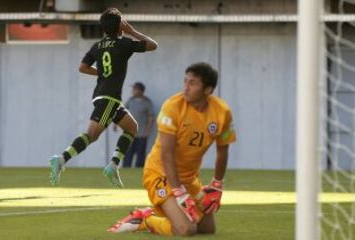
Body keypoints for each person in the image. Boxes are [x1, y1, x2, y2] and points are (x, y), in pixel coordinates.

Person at [107, 62, 236, 236]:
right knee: (186, 229)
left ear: (208, 90)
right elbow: (166, 154)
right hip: (160, 173)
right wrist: (178, 191)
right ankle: (145, 219)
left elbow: (223, 150)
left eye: (193, 83)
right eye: (185, 81)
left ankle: (160, 213)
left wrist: (217, 185)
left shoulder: (222, 112)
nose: (186, 87)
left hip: (189, 178)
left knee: (207, 229)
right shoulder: (173, 107)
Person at [48, 8, 158, 187]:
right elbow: (153, 45)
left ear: (104, 28)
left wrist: (102, 73)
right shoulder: (124, 43)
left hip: (103, 96)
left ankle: (113, 166)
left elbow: (82, 67)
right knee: (92, 135)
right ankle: (60, 159)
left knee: (131, 127)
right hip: (110, 98)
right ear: (120, 27)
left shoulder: (97, 46)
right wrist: (131, 31)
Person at [121, 82, 154, 168]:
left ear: (140, 91)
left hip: (142, 133)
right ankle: (126, 170)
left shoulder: (147, 102)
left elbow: (151, 117)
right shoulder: (130, 100)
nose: (132, 91)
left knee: (140, 155)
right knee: (128, 154)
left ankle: (138, 171)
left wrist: (148, 130)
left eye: (134, 89)